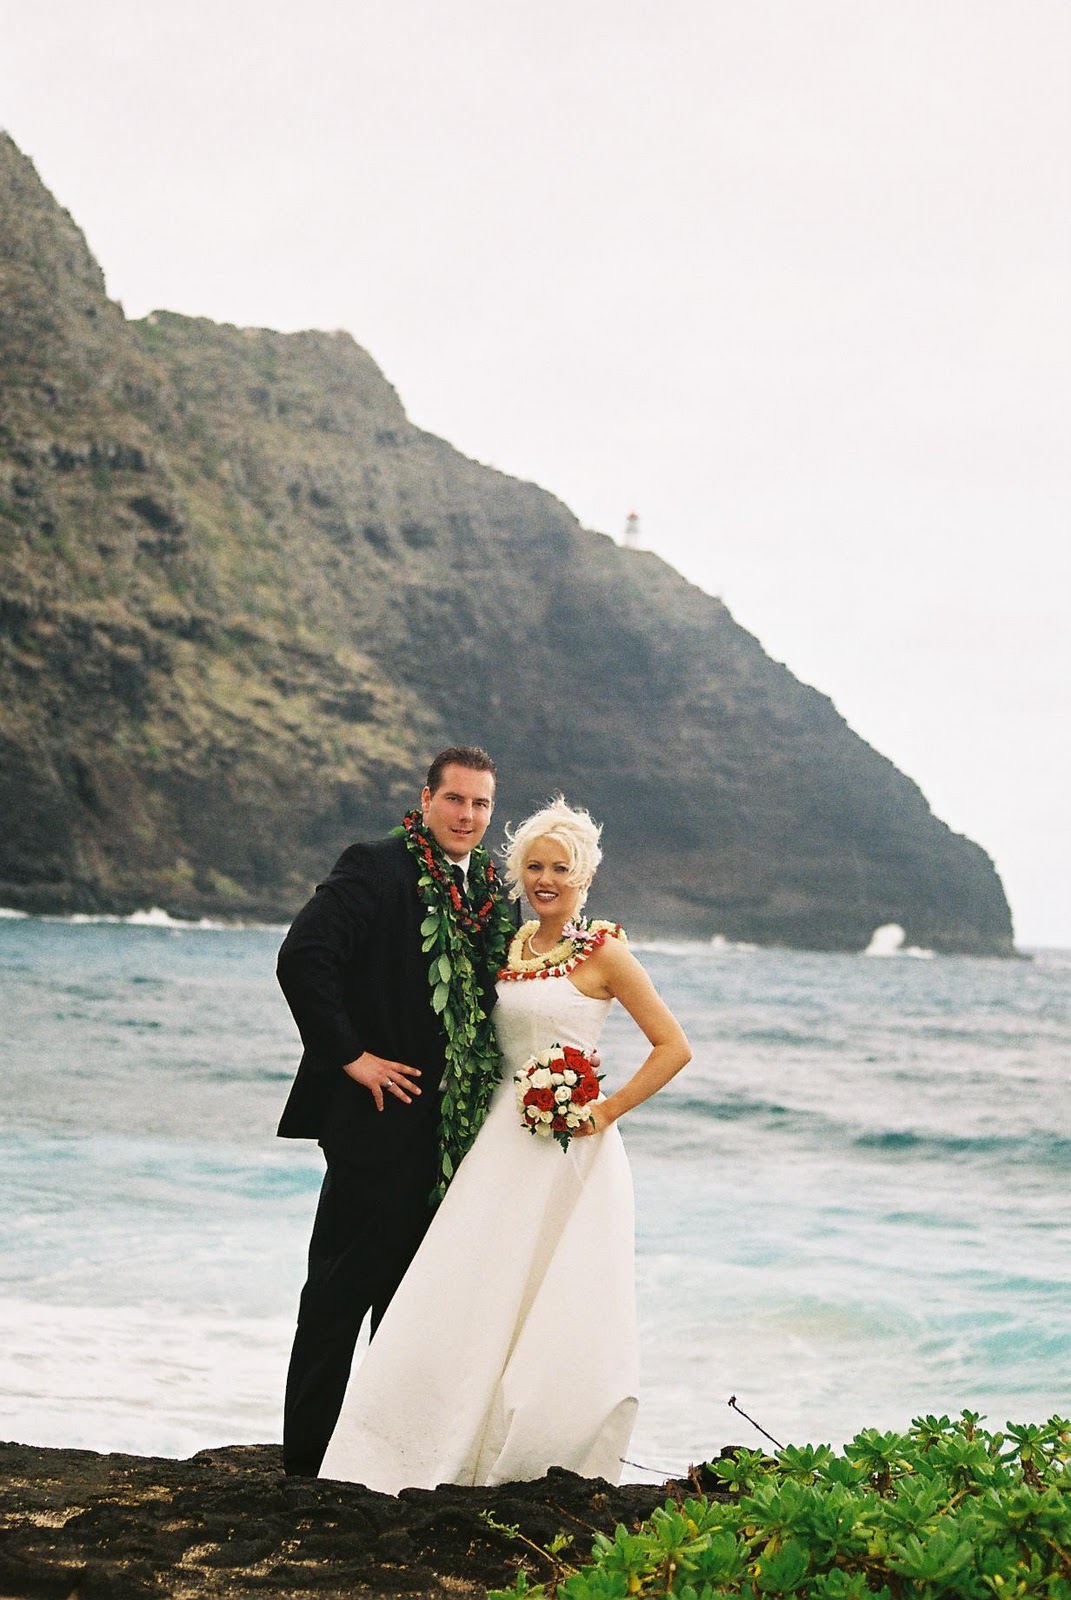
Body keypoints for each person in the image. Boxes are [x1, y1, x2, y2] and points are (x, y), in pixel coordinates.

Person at [318, 797, 692, 1491]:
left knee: (554, 1300)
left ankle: (530, 1450)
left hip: (566, 1153)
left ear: (584, 878)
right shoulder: (512, 944)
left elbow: (672, 1048)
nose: (545, 879)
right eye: (534, 867)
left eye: (560, 868)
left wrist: (603, 1110)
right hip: (497, 1138)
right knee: (469, 1285)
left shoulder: (605, 950)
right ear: (519, 874)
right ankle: (423, 1440)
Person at [276, 745, 515, 1477]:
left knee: (411, 1300)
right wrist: (349, 1057)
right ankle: (305, 1464)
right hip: (374, 1122)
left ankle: (378, 1456)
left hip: (447, 1136)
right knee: (338, 1294)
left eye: (480, 804)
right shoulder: (375, 865)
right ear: (426, 799)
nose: (467, 815)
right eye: (455, 800)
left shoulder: (488, 894)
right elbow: (302, 957)